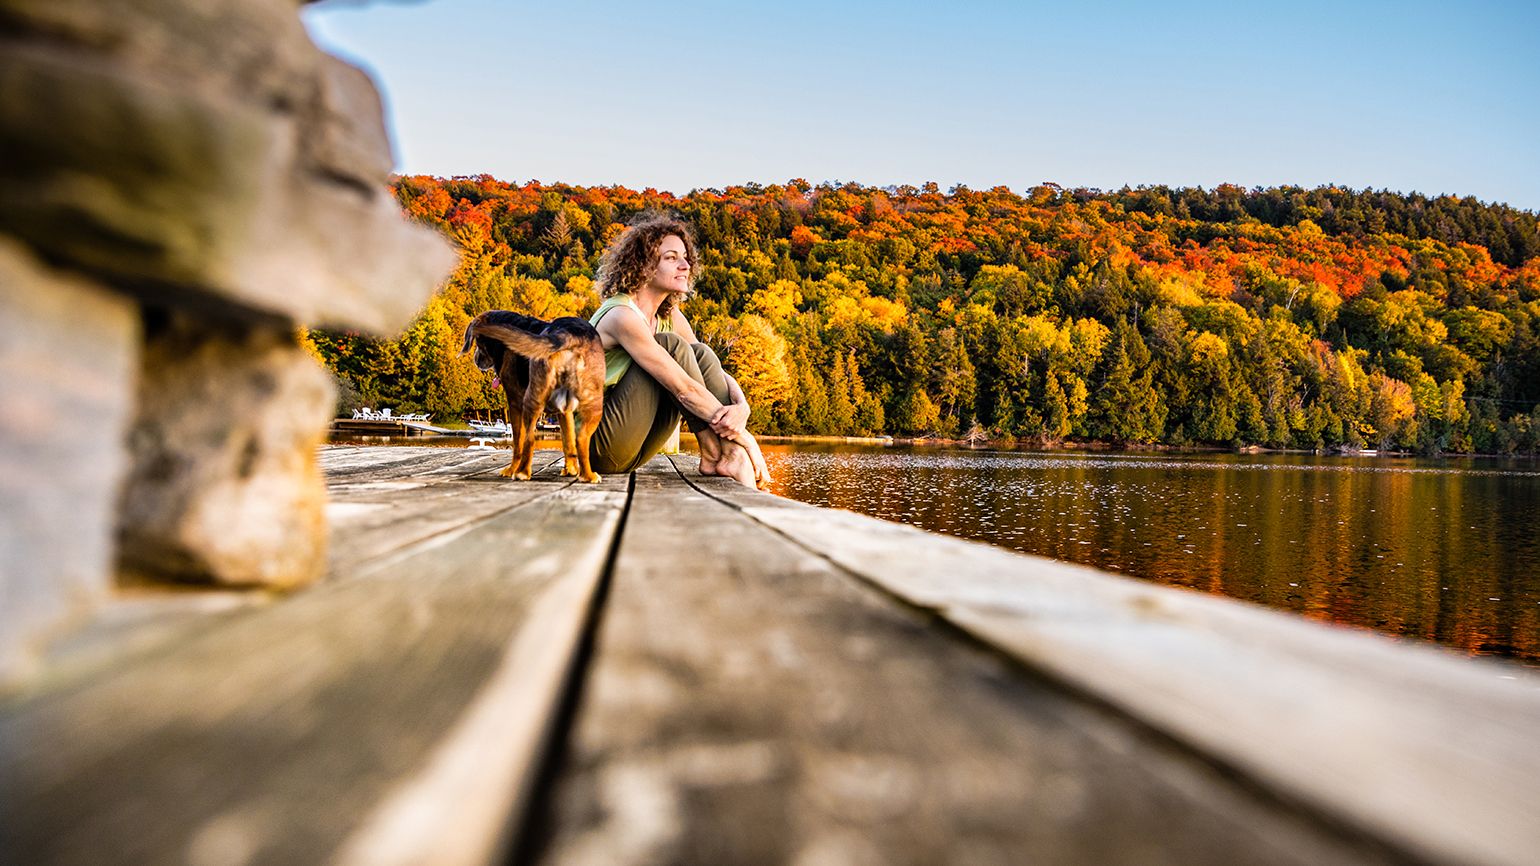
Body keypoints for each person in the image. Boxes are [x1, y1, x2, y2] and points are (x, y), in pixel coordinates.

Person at [587, 214, 772, 489]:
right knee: (671, 346)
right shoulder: (621, 315)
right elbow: (683, 387)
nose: (685, 265)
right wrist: (746, 438)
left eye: (685, 257)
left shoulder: (669, 315)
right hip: (598, 445)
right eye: (671, 258)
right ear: (645, 265)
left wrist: (741, 406)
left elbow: (711, 371)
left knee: (701, 353)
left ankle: (726, 454)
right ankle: (716, 450)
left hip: (635, 442)